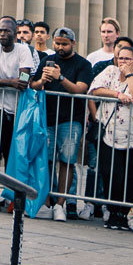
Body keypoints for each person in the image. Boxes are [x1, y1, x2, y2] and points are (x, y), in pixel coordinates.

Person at [31, 27, 93, 222]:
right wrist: (42, 80)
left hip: (71, 119)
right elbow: (32, 84)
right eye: (57, 43)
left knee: (67, 160)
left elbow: (80, 89)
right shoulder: (47, 61)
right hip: (47, 117)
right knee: (46, 160)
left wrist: (60, 78)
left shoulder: (83, 64)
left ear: (73, 44)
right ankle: (48, 201)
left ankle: (61, 204)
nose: (59, 47)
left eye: (64, 44)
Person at [90, 44, 133, 229]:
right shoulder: (109, 71)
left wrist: (128, 75)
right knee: (111, 174)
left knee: (132, 177)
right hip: (111, 135)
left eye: (128, 59)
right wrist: (117, 94)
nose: (123, 62)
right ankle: (112, 211)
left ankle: (125, 213)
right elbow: (96, 89)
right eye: (120, 58)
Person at [0, 16, 39, 174]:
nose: (2, 34)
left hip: (20, 107)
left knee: (11, 146)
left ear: (15, 33)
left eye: (7, 31)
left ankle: (10, 187)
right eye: (0, 31)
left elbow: (24, 78)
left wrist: (1, 82)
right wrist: (10, 82)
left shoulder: (23, 50)